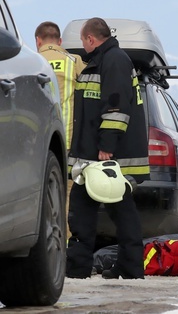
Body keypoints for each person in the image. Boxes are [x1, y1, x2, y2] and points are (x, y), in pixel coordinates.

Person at [65, 17, 150, 280]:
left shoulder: (113, 60)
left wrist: (106, 146)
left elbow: (116, 105)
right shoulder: (103, 61)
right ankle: (125, 266)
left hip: (106, 157)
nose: (83, 45)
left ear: (91, 39)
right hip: (95, 156)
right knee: (105, 210)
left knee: (104, 211)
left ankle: (82, 267)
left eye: (83, 40)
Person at [35, 21, 87, 239]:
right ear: (60, 41)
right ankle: (61, 245)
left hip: (35, 142)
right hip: (67, 141)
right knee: (64, 195)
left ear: (38, 41)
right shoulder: (74, 62)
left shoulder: (32, 62)